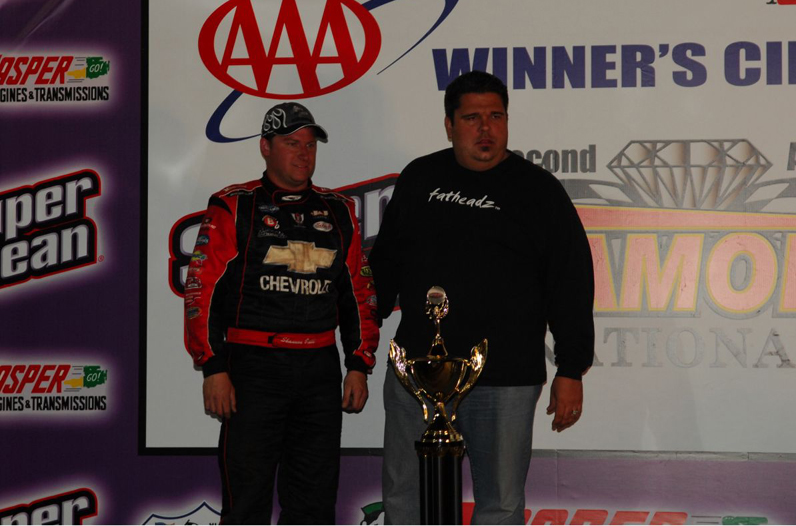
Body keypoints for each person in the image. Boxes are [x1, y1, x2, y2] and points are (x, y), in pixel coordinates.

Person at [369, 71, 595, 524]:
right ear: (449, 125)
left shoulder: (538, 190)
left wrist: (571, 368)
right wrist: (358, 349)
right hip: (417, 372)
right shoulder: (420, 178)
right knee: (404, 495)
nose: (486, 128)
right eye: (472, 118)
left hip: (506, 377)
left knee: (501, 503)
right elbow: (384, 269)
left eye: (496, 116)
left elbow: (570, 282)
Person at [183, 102, 380, 524]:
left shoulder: (339, 210)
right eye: (292, 143)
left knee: (314, 505)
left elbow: (359, 294)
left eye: (310, 144)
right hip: (253, 369)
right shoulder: (233, 205)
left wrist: (358, 364)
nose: (304, 153)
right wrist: (212, 366)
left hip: (319, 370)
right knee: (246, 503)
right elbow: (201, 290)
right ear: (265, 147)